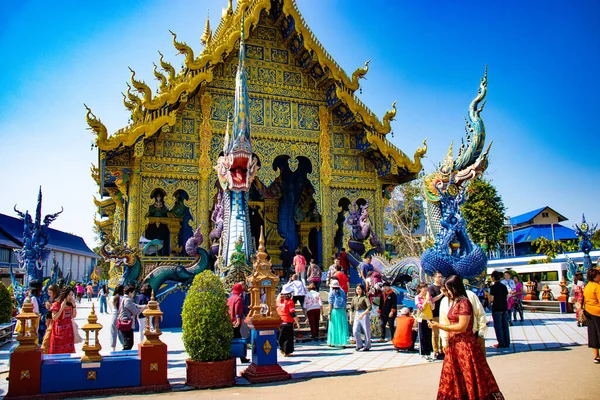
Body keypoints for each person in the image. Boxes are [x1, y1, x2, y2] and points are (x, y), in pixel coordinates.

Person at [428, 275, 504, 399]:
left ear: (455, 288)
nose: (446, 293)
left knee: (469, 375)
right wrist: (444, 338)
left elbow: (462, 326)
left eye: (448, 290)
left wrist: (440, 326)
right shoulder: (452, 302)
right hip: (454, 345)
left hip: (465, 345)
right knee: (453, 378)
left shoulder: (464, 302)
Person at [440, 280, 489, 357]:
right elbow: (444, 321)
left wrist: (481, 334)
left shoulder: (468, 297)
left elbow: (480, 314)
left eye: (448, 290)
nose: (447, 293)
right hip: (454, 341)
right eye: (444, 291)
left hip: (472, 337)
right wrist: (444, 342)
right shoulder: (444, 301)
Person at [119, 285, 148, 350]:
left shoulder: (125, 299)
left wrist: (144, 306)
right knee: (128, 343)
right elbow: (135, 311)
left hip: (126, 323)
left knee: (128, 342)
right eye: (133, 293)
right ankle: (126, 356)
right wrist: (143, 309)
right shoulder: (128, 300)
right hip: (126, 323)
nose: (134, 294)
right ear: (130, 293)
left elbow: (136, 305)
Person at [49, 286, 77, 354]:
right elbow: (54, 317)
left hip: (68, 332)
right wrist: (61, 308)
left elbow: (73, 316)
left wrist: (74, 306)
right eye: (69, 295)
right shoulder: (56, 304)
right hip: (58, 332)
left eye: (71, 295)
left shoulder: (69, 305)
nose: (70, 297)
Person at [227, 283, 250, 363]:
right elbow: (238, 310)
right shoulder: (239, 299)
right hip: (235, 322)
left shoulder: (229, 298)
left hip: (229, 321)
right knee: (238, 340)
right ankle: (239, 356)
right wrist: (238, 320)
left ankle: (241, 357)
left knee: (235, 339)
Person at [276, 286, 300, 357]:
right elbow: (292, 313)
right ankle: (287, 352)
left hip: (280, 321)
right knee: (288, 338)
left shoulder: (280, 301)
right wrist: (297, 322)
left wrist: (281, 294)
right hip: (287, 320)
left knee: (282, 336)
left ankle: (282, 349)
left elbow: (277, 300)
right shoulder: (290, 302)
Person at [490, 270, 510, 348]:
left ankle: (501, 342)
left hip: (496, 308)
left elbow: (492, 299)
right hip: (504, 308)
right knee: (505, 325)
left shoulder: (493, 287)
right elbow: (507, 296)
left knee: (498, 326)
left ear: (493, 278)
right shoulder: (503, 286)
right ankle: (507, 341)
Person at [583, 267, 600, 363]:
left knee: (593, 333)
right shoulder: (597, 287)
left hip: (588, 310)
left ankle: (596, 356)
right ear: (594, 277)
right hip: (597, 311)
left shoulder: (588, 286)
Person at [428, 271, 445, 359]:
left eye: (441, 277)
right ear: (434, 278)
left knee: (443, 333)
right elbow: (431, 300)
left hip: (443, 313)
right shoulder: (431, 288)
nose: (440, 278)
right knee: (435, 334)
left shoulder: (443, 287)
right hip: (435, 314)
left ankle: (443, 350)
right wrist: (442, 293)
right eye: (438, 277)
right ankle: (435, 350)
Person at [350, 283, 372, 351]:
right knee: (355, 331)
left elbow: (369, 307)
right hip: (357, 313)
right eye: (357, 289)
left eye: (359, 289)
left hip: (364, 313)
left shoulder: (365, 297)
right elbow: (351, 309)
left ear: (362, 290)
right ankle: (359, 344)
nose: (358, 290)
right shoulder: (354, 298)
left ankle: (367, 345)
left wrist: (363, 314)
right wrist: (351, 318)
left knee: (366, 331)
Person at [415, 282, 434, 359]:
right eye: (424, 287)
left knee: (429, 335)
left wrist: (430, 301)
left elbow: (433, 308)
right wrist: (426, 301)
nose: (425, 289)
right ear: (420, 289)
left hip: (429, 318)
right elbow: (420, 308)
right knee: (422, 336)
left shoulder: (429, 297)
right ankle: (423, 352)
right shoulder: (418, 297)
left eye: (426, 287)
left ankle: (428, 352)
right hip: (422, 318)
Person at [327, 281, 348, 347]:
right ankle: (343, 342)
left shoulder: (331, 293)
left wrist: (329, 313)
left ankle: (332, 342)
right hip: (342, 311)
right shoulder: (343, 292)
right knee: (342, 327)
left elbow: (330, 304)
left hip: (334, 311)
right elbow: (345, 302)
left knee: (333, 326)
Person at [41, 284, 60, 353]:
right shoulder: (51, 299)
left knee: (47, 339)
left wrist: (50, 307)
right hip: (49, 321)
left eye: (50, 293)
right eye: (48, 293)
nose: (49, 294)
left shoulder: (58, 301)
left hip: (55, 322)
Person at [110, 284, 125, 351]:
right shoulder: (123, 298)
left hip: (114, 315)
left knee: (113, 331)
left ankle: (113, 348)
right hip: (121, 315)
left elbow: (111, 307)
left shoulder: (112, 297)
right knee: (121, 331)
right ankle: (123, 344)